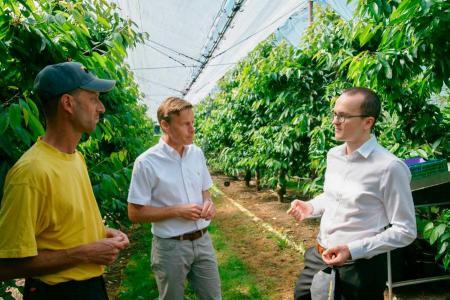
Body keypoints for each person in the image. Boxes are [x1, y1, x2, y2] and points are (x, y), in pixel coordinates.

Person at [0, 62, 129, 300]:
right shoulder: (30, 173)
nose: (101, 108)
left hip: (91, 287)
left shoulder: (75, 157)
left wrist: (101, 233)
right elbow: (6, 265)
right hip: (57, 293)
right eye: (93, 99)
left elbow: (61, 229)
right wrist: (84, 254)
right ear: (68, 103)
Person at [288, 87, 417, 300]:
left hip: (358, 267)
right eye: (335, 114)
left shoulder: (389, 167)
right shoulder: (334, 156)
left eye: (343, 116)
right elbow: (334, 197)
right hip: (320, 256)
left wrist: (352, 249)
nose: (335, 121)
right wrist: (311, 206)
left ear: (368, 122)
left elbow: (406, 230)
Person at [127, 96, 221, 300]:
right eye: (185, 124)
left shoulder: (196, 153)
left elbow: (205, 190)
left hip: (203, 240)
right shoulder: (146, 163)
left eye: (192, 123)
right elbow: (134, 213)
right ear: (165, 125)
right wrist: (177, 211)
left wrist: (208, 204)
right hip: (170, 247)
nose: (192, 129)